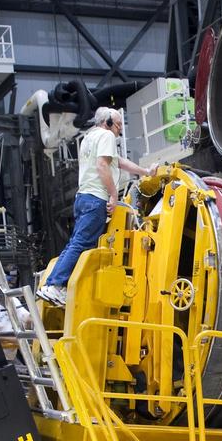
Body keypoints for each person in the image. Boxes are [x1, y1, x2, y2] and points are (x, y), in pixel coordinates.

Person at [36, 106, 151, 306]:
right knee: (82, 244)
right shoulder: (106, 137)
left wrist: (145, 172)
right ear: (107, 122)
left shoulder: (90, 137)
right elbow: (102, 165)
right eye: (117, 126)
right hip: (96, 198)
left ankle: (49, 285)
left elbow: (118, 161)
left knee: (76, 242)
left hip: (83, 198)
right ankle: (56, 286)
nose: (119, 131)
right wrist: (114, 195)